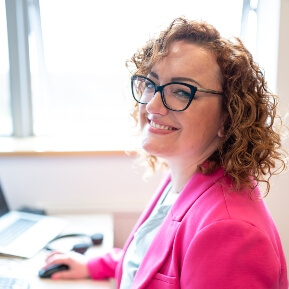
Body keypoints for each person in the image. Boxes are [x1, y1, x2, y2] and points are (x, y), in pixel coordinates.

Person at [42, 17, 288, 288]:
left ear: (228, 118)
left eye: (181, 92)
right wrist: (95, 265)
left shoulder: (230, 231)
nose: (153, 106)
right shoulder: (184, 176)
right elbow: (154, 254)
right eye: (150, 84)